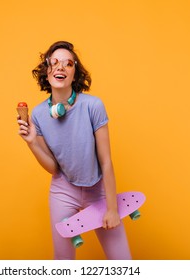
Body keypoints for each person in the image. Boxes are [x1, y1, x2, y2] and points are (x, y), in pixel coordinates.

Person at [17, 41, 131, 260]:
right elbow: (53, 168)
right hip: (63, 191)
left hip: (98, 190)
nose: (61, 67)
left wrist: (112, 208)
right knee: (63, 265)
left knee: (123, 262)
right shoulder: (39, 115)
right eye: (55, 62)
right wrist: (31, 141)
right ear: (47, 70)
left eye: (68, 63)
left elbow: (106, 161)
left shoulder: (93, 105)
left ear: (74, 73)